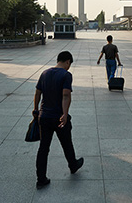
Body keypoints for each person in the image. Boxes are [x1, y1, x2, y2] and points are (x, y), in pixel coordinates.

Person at [33, 51, 83, 189]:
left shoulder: (44, 73)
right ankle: (73, 165)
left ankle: (41, 179)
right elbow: (65, 95)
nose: (69, 67)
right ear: (67, 61)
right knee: (67, 143)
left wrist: (36, 110)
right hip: (59, 117)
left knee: (43, 148)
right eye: (69, 64)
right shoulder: (66, 75)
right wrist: (65, 114)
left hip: (44, 117)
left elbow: (37, 93)